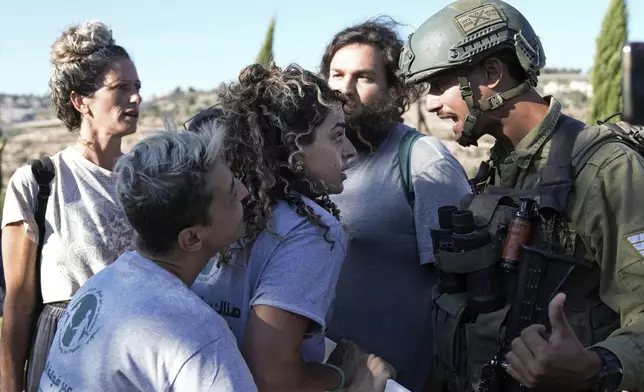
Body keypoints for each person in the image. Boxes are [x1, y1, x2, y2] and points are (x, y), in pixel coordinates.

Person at [399, 1, 644, 392]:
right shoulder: (497, 169)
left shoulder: (604, 170)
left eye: (441, 84)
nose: (430, 102)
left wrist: (600, 364)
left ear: (492, 74)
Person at [190, 63, 395, 392]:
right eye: (338, 135)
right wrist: (345, 375)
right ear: (294, 146)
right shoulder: (311, 232)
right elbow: (270, 374)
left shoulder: (229, 210)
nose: (350, 150)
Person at [39, 123, 258, 391]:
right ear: (191, 238)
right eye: (232, 194)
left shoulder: (101, 285)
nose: (245, 192)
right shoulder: (196, 335)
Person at [318, 17, 472, 391]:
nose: (344, 89)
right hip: (323, 374)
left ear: (393, 89)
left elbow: (462, 290)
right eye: (336, 75)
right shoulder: (313, 163)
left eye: (364, 78)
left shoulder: (422, 163)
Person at [0, 20, 141, 392]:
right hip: (62, 359)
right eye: (121, 88)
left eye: (137, 87)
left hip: (137, 356)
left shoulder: (149, 181)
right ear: (81, 102)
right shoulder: (38, 182)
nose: (136, 98)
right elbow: (18, 304)